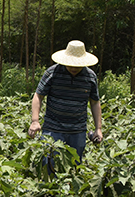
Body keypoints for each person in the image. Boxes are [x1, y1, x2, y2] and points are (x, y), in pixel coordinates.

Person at [28, 40, 103, 169]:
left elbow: (95, 102)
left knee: (74, 167)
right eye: (70, 64)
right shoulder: (52, 73)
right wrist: (35, 120)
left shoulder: (90, 77)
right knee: (49, 166)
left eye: (77, 65)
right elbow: (38, 95)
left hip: (77, 130)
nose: (73, 68)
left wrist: (98, 129)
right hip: (53, 129)